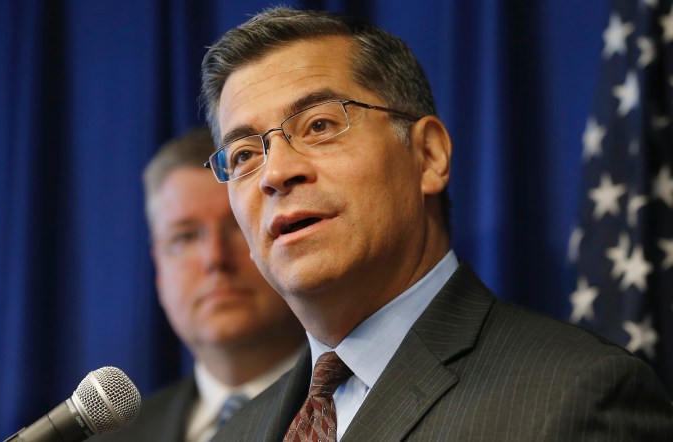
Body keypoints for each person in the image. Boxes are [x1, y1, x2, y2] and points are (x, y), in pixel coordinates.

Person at [198, 7, 673, 441]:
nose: (276, 173)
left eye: (319, 125)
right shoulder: (236, 432)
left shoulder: (577, 397)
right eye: (244, 154)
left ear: (428, 155)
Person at [94, 127, 306, 442]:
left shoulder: (353, 403)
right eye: (185, 236)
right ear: (158, 271)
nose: (214, 258)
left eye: (236, 225)